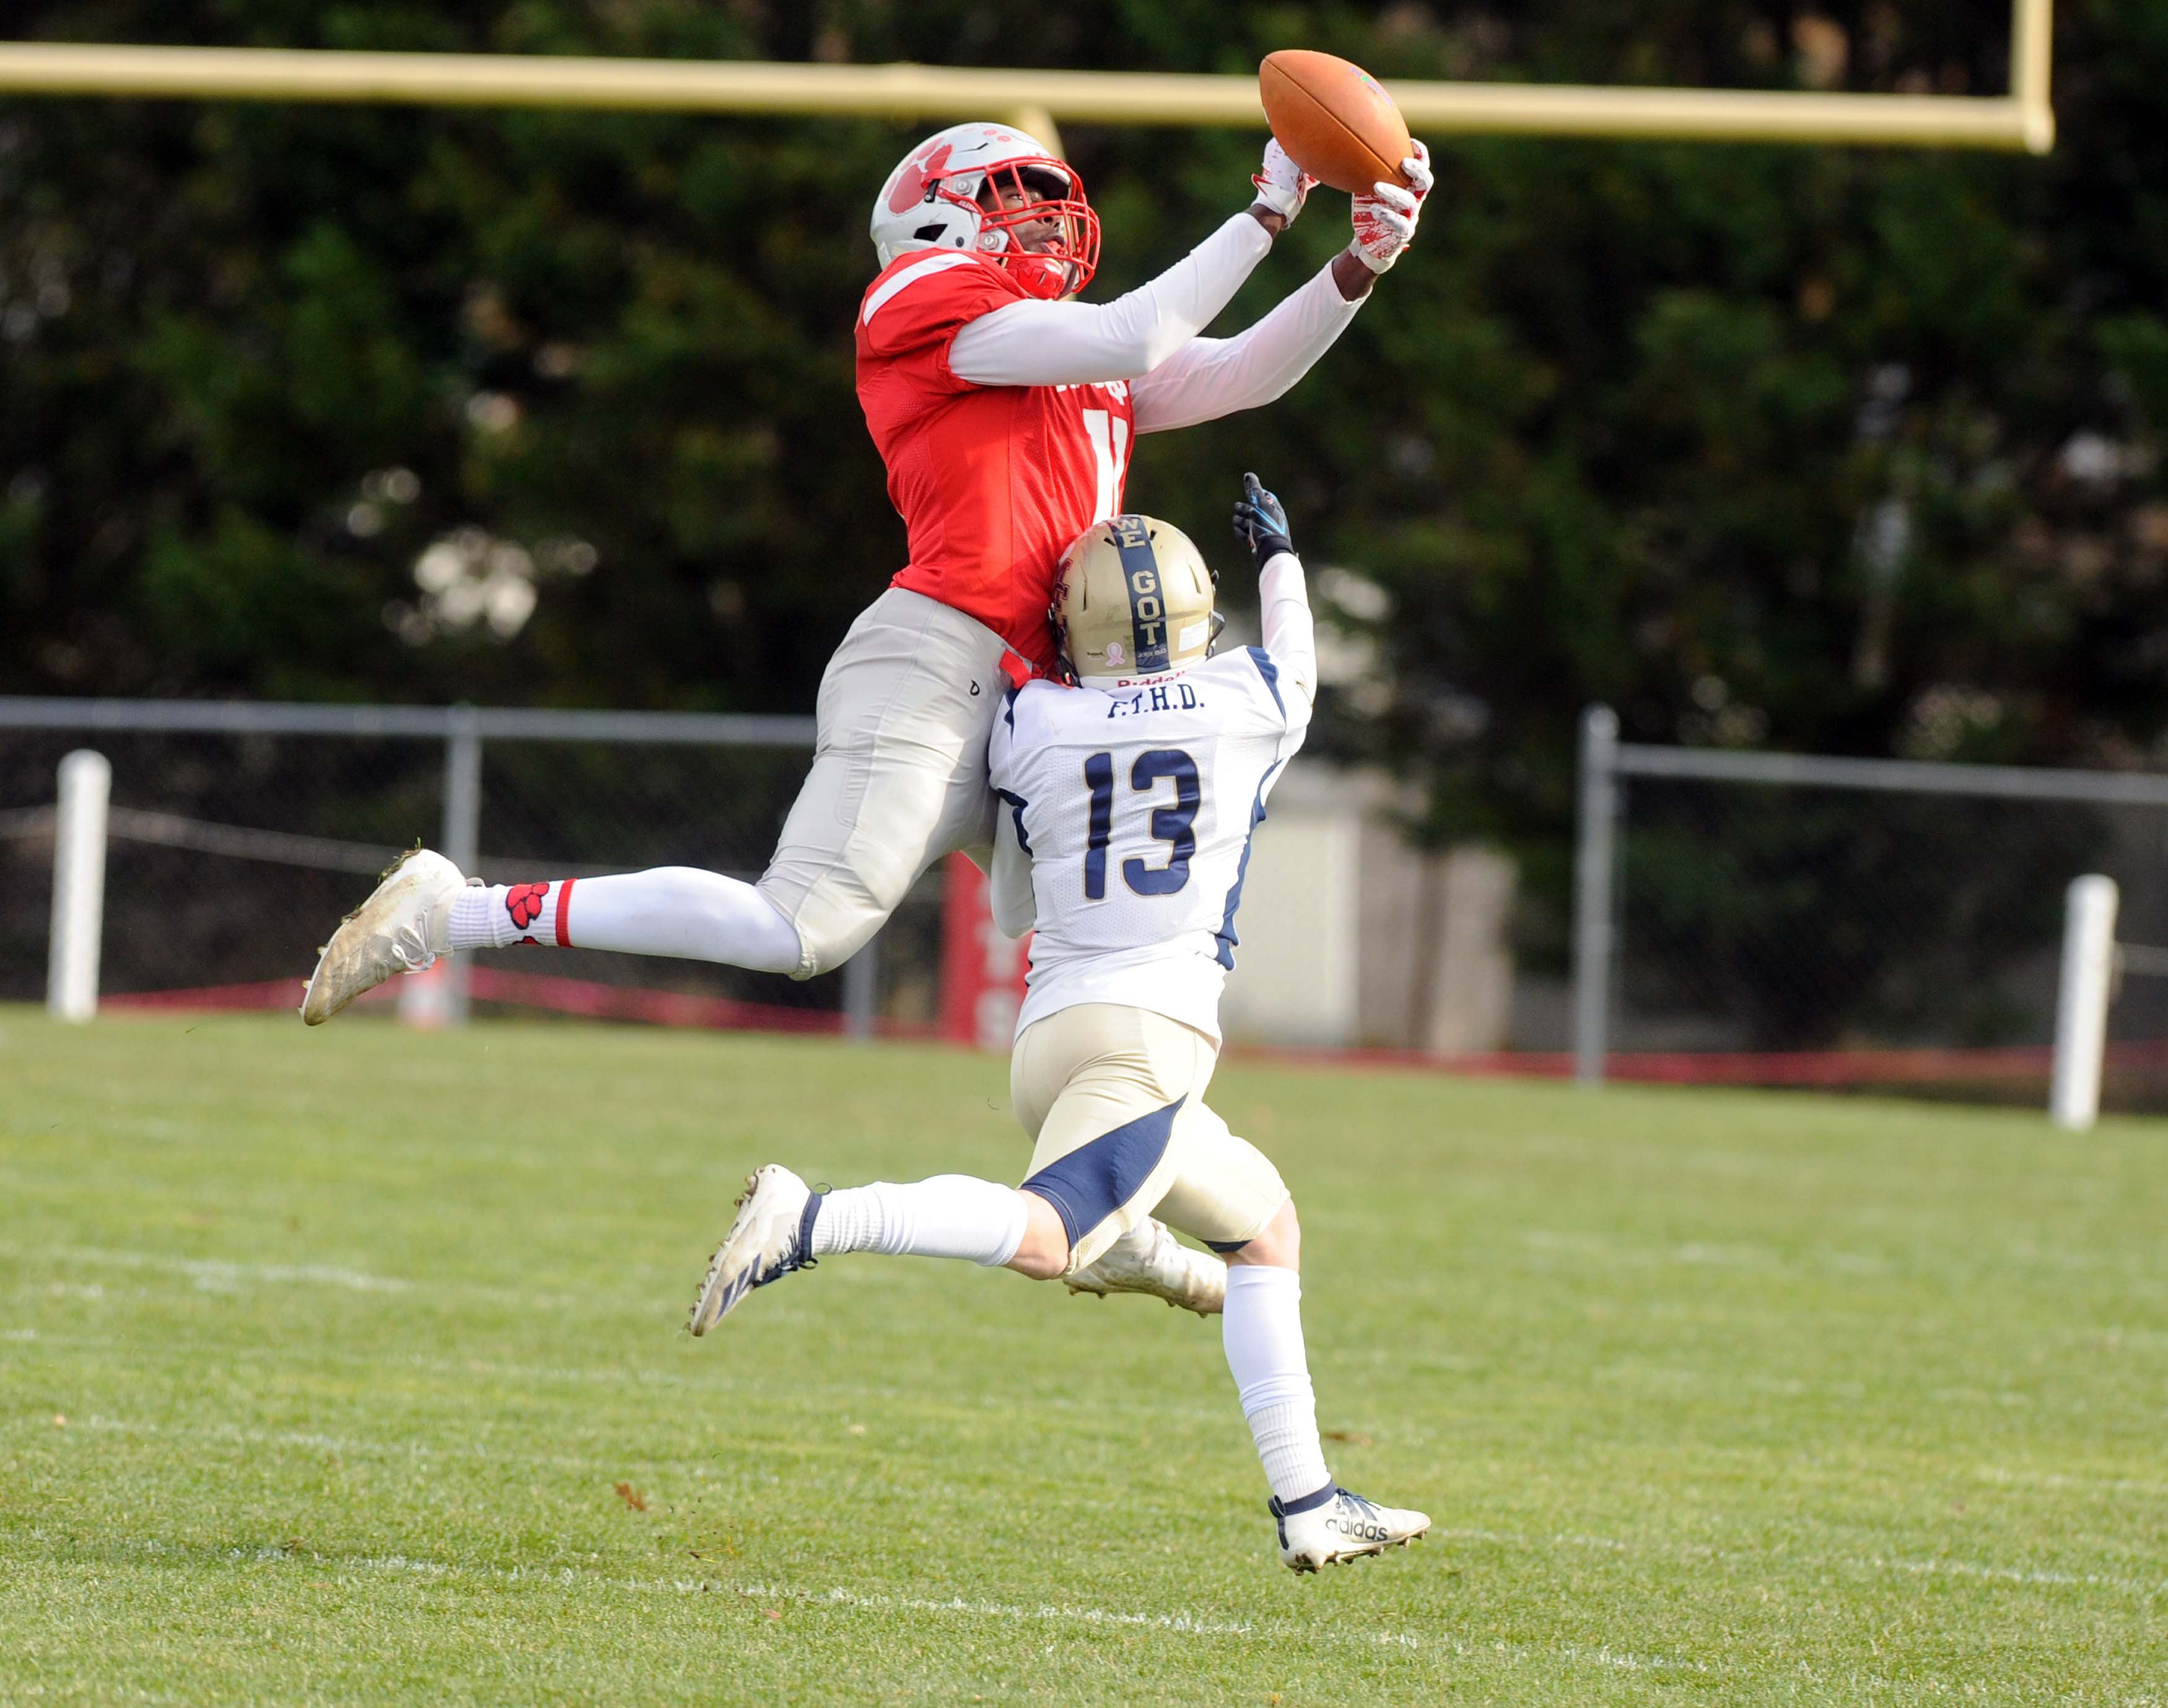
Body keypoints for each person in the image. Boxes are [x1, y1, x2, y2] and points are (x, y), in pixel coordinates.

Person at [297, 122, 1430, 1308]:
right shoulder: (923, 293)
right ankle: (455, 910)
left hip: (1034, 699)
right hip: (942, 660)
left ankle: (1110, 1208)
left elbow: (1234, 368)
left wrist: (1354, 270)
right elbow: (1139, 329)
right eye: (1016, 193)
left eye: (1054, 195)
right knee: (803, 927)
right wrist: (1267, 209)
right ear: (936, 211)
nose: (1047, 216)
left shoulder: (1064, 351)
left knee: (1108, 963)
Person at [685, 476, 1429, 1574]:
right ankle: (817, 1218)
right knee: (1045, 1240)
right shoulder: (1249, 701)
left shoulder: (1033, 718)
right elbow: (1296, 648)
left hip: (1052, 1035)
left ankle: (1308, 1501)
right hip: (1148, 1042)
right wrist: (1278, 552)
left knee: (1267, 1229)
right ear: (1194, 619)